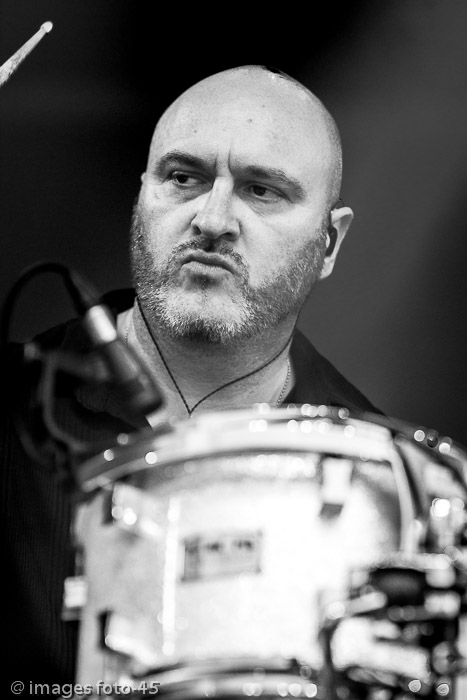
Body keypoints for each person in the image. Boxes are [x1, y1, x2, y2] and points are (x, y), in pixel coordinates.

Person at [3, 64, 382, 690]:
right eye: (183, 178)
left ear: (330, 244)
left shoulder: (379, 481)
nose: (212, 218)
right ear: (142, 198)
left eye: (262, 190)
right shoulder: (13, 397)